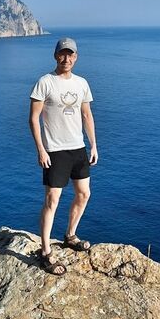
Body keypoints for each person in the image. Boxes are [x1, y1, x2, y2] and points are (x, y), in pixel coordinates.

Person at [29, 37, 98, 275]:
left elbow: (87, 115)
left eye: (70, 54)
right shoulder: (45, 82)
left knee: (84, 194)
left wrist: (94, 145)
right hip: (55, 150)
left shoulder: (82, 83)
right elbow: (33, 119)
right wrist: (41, 149)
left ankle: (70, 235)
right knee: (52, 200)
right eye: (62, 54)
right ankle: (45, 251)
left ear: (76, 57)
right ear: (55, 55)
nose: (66, 59)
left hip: (78, 148)